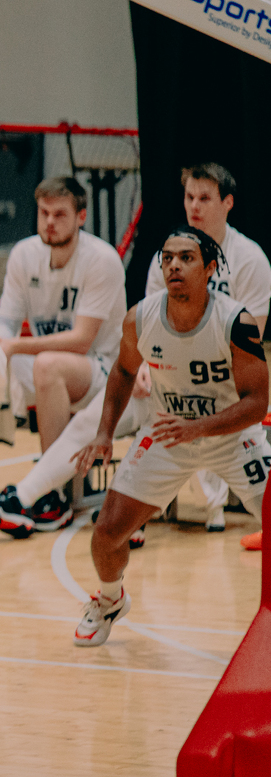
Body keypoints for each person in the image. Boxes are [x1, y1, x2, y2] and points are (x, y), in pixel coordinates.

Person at [0, 164, 270, 544]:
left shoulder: (250, 260)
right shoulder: (169, 257)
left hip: (222, 395)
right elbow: (151, 324)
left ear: (227, 203)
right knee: (95, 421)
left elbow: (250, 343)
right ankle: (25, 499)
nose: (194, 206)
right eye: (189, 197)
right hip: (165, 389)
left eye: (204, 198)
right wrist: (145, 366)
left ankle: (137, 513)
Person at [69, 228, 268, 645]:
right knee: (106, 533)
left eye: (186, 258)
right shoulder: (140, 318)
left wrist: (199, 427)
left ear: (210, 269)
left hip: (233, 436)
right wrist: (105, 432)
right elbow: (124, 371)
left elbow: (256, 403)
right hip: (167, 435)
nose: (174, 265)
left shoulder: (236, 322)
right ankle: (110, 599)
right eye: (167, 258)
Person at [0, 177, 126, 529]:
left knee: (47, 365)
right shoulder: (24, 254)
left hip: (102, 371)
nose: (49, 222)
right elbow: (8, 321)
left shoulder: (102, 259)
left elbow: (82, 341)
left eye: (59, 214)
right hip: (50, 365)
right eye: (44, 213)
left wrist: (16, 346)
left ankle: (51, 494)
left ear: (81, 217)